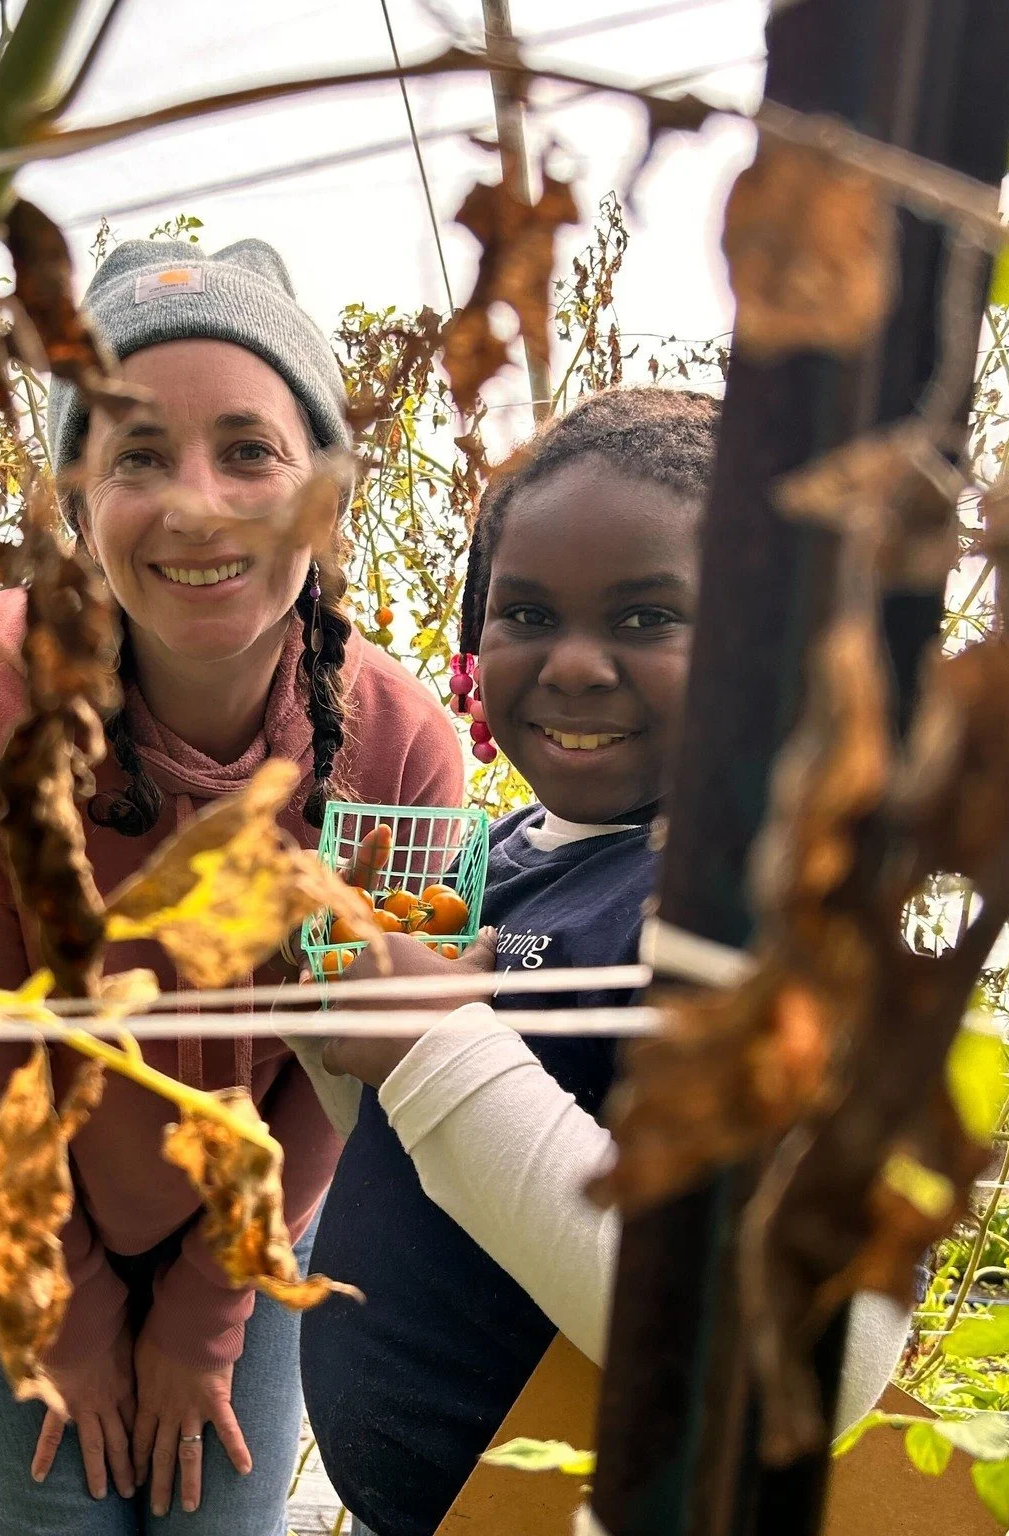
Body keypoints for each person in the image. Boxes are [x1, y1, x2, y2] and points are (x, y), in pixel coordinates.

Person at [0, 238, 464, 1535]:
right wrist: (81, 1313)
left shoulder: (393, 749)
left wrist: (208, 1317)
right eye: (138, 457)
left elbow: (340, 1078)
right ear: (76, 498)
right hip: (15, 1196)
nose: (197, 504)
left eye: (250, 451)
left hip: (255, 1212)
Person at [295, 387, 911, 1536]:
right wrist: (334, 1017)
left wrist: (436, 1045)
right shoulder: (510, 861)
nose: (573, 665)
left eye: (645, 618)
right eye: (525, 613)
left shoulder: (758, 915)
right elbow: (439, 1148)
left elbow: (833, 1352)